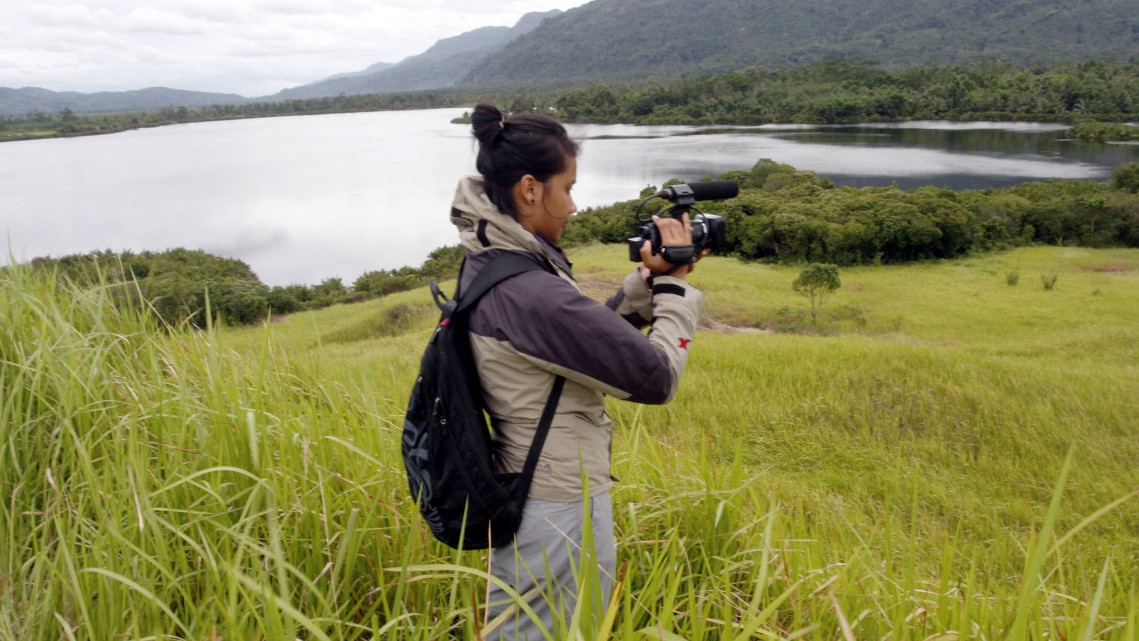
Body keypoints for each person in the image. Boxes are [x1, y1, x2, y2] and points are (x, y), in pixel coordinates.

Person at [452, 102, 704, 640]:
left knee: (552, 626)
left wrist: (643, 284)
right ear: (529, 189)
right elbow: (655, 377)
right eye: (567, 187)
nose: (572, 205)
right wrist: (676, 289)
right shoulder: (527, 288)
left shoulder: (496, 257)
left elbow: (573, 345)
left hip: (533, 483)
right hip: (553, 499)